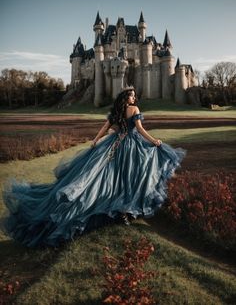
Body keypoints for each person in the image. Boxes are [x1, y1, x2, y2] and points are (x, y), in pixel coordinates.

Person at [2, 87, 186, 247]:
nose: (134, 98)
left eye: (134, 96)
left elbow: (105, 127)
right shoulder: (134, 109)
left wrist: (96, 141)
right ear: (126, 98)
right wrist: (154, 141)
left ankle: (122, 212)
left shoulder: (116, 110)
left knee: (111, 178)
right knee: (130, 177)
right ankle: (123, 212)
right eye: (131, 95)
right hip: (130, 146)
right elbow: (139, 129)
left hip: (114, 144)